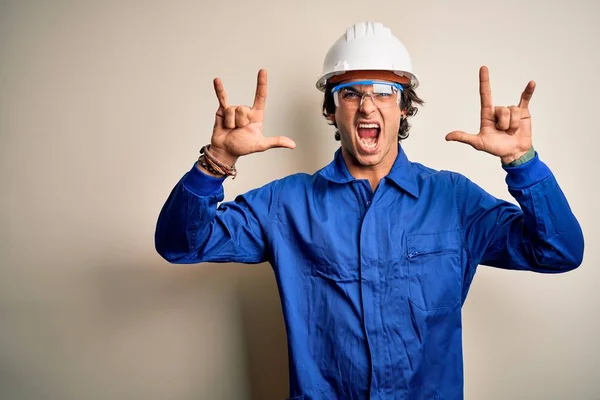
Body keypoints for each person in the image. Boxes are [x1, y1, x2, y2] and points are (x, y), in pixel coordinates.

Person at [155, 21, 584, 400]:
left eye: (384, 91)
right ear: (331, 110)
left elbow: (559, 251)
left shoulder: (453, 200)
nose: (366, 106)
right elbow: (179, 244)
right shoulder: (285, 205)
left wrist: (522, 162)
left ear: (404, 107)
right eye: (350, 93)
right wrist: (217, 160)